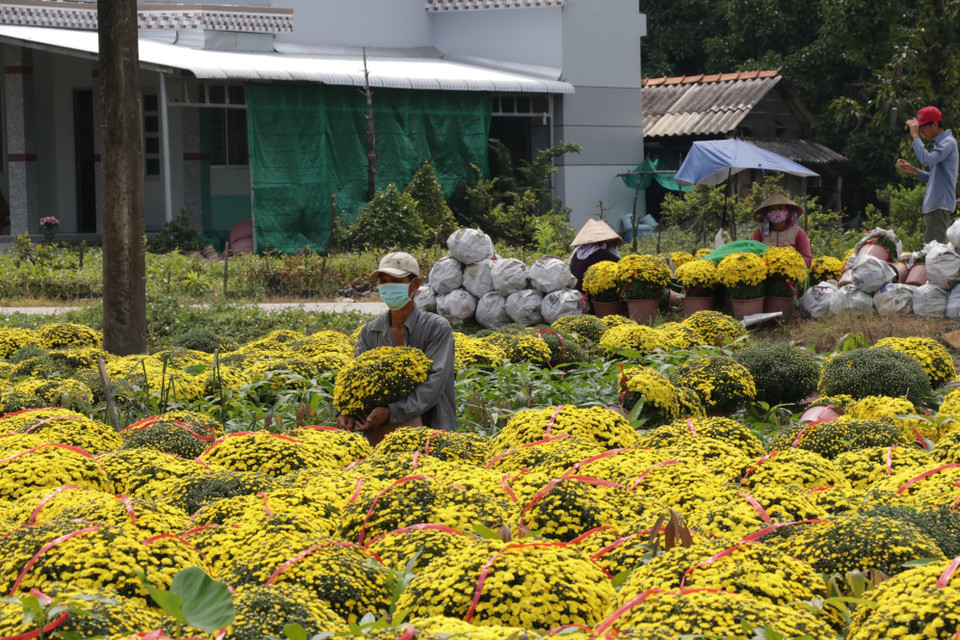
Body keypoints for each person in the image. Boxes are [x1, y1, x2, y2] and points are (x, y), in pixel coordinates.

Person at [336, 251, 456, 446]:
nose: (388, 287)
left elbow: (434, 383)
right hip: (378, 428)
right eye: (384, 281)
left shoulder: (436, 328)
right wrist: (346, 410)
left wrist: (392, 412)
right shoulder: (370, 332)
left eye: (396, 280)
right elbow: (354, 380)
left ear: (415, 285)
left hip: (432, 428)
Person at [895, 106, 959, 244]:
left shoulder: (947, 143)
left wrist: (915, 136)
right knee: (931, 254)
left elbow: (926, 159)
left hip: (938, 208)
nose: (922, 132)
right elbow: (934, 178)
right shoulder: (941, 144)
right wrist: (913, 170)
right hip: (934, 208)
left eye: (923, 128)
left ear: (935, 124)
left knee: (934, 256)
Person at [750, 193, 813, 267]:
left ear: (787, 211)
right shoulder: (760, 233)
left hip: (792, 275)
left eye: (780, 208)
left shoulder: (798, 232)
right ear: (767, 213)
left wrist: (790, 264)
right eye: (772, 209)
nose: (776, 212)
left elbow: (807, 259)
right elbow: (752, 256)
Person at [569, 218, 624, 291]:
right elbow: (622, 264)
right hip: (586, 292)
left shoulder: (578, 251)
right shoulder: (600, 252)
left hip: (574, 289)